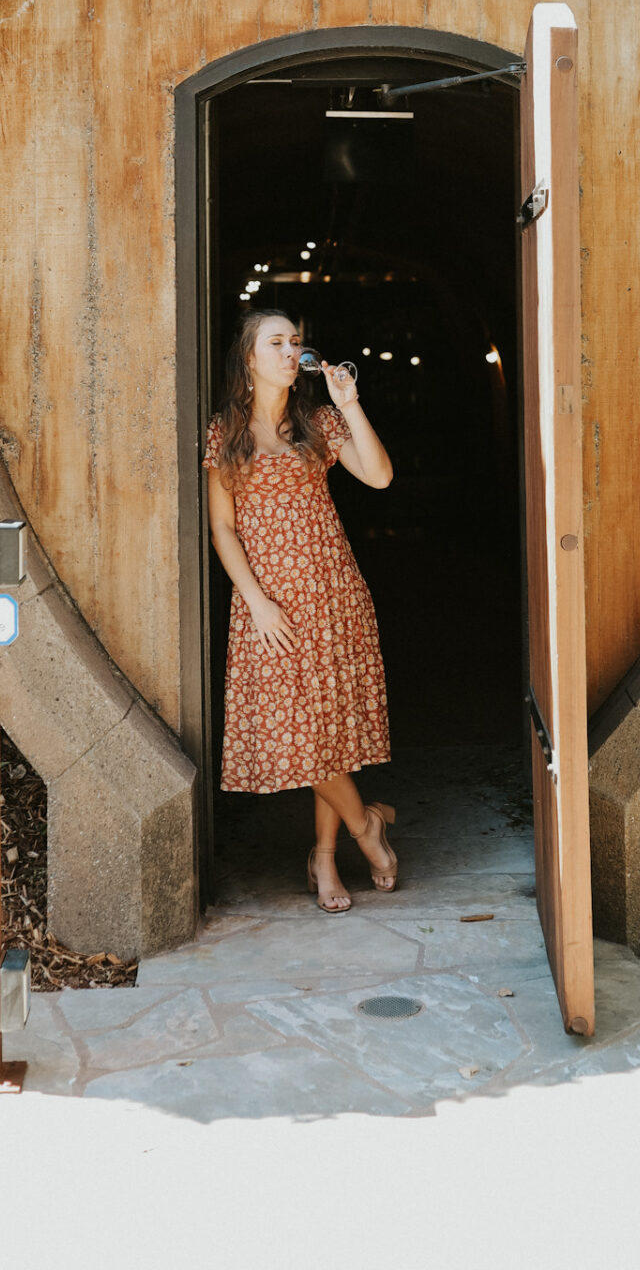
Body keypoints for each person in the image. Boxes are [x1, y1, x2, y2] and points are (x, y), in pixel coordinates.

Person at [204, 308, 398, 913]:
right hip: (270, 606)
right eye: (277, 342)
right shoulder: (223, 433)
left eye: (296, 343)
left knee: (327, 732)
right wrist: (257, 602)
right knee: (301, 734)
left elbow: (380, 476)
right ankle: (366, 825)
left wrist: (349, 401)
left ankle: (324, 860)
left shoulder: (319, 422)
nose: (291, 352)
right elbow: (222, 530)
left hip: (333, 593)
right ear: (248, 357)